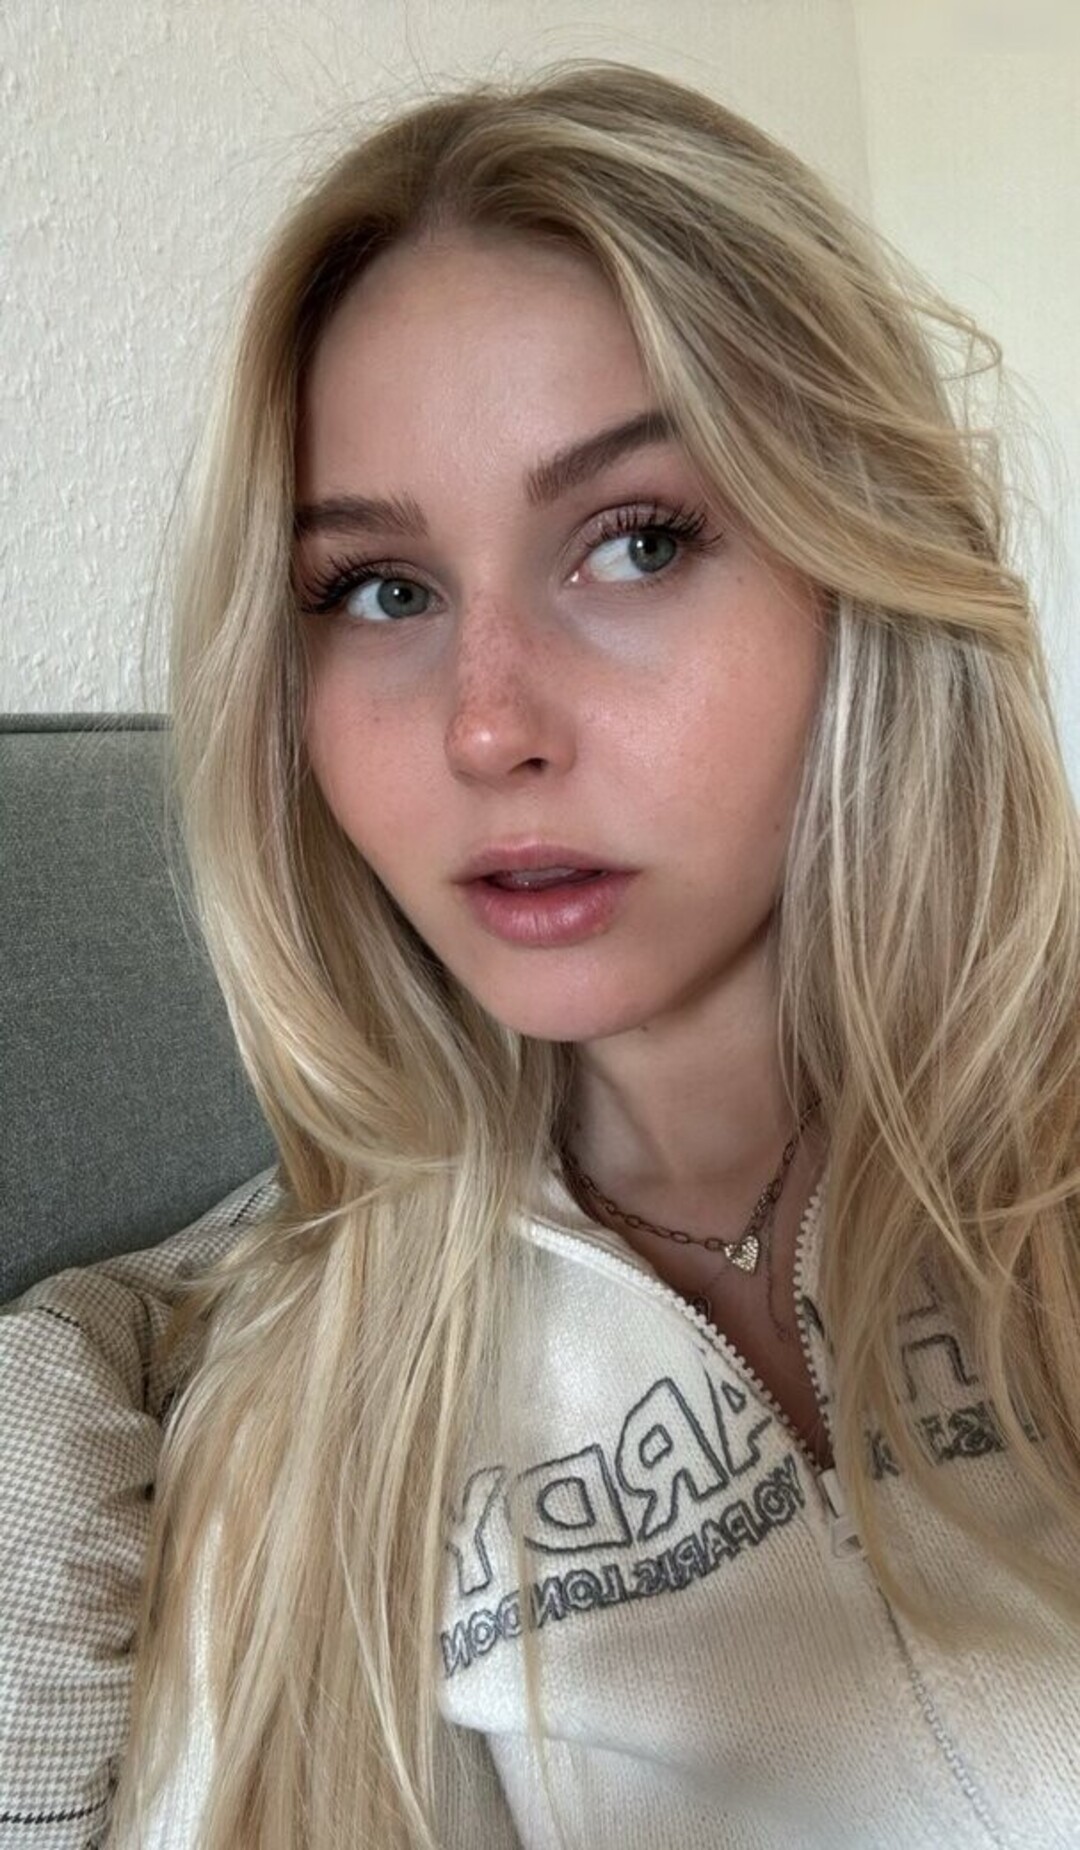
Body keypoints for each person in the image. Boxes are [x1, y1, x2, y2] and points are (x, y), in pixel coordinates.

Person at [6, 56, 1080, 1850]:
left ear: (860, 568)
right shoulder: (291, 1436)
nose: (488, 723)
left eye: (635, 542)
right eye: (381, 590)